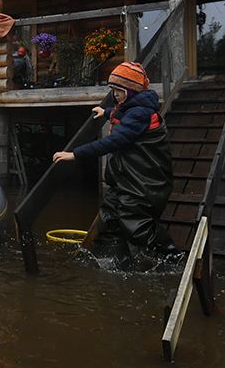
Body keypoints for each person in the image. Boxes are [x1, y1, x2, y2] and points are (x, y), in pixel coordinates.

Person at [52, 61, 178, 268]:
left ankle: (172, 256)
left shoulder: (140, 113)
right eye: (113, 90)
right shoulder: (132, 107)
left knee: (136, 224)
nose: (115, 95)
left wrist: (76, 154)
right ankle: (110, 260)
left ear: (132, 90)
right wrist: (107, 112)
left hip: (145, 182)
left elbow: (115, 141)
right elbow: (122, 112)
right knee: (109, 218)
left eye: (119, 90)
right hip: (125, 179)